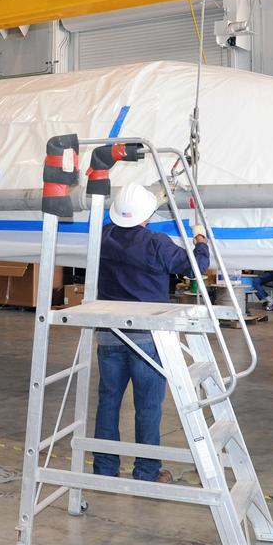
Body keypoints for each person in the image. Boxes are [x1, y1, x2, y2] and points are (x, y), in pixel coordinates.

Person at [93, 183, 210, 485]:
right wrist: (200, 238)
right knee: (147, 405)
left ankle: (104, 467)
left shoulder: (102, 237)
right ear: (146, 215)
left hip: (109, 333)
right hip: (147, 337)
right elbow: (197, 266)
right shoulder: (155, 242)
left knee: (108, 402)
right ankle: (146, 472)